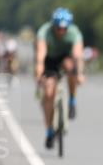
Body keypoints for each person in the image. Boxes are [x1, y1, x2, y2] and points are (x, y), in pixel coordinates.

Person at [35, 8, 85, 149]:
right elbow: (41, 55)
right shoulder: (44, 32)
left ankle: (72, 100)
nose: (61, 31)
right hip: (50, 60)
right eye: (58, 28)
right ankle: (49, 130)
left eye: (64, 29)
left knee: (71, 67)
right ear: (53, 26)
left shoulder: (74, 33)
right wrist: (39, 73)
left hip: (65, 58)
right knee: (49, 93)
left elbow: (78, 55)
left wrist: (79, 74)